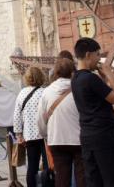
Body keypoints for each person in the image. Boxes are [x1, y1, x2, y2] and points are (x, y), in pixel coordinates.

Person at [71, 37, 114, 187]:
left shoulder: (75, 79)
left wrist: (103, 81)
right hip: (104, 137)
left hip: (87, 137)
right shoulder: (90, 79)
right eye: (97, 55)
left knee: (95, 181)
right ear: (88, 55)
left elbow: (97, 98)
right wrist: (109, 74)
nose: (99, 59)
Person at [38, 57, 84, 187]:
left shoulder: (46, 92)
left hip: (56, 139)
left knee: (62, 178)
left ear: (56, 73)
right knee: (82, 177)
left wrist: (46, 135)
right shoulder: (79, 88)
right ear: (72, 72)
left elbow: (41, 119)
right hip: (78, 139)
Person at [14, 66, 47, 187]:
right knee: (47, 164)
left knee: (32, 166)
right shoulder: (44, 92)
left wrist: (19, 135)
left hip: (29, 135)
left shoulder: (22, 93)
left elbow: (17, 116)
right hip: (44, 135)